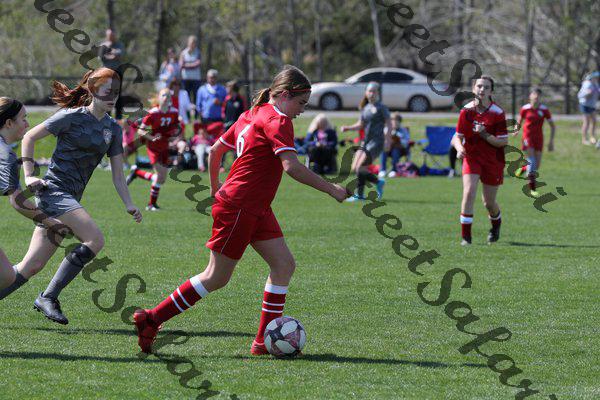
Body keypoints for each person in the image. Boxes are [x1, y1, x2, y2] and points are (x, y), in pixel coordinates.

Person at [133, 65, 350, 355]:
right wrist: (332, 189)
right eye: (301, 103)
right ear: (284, 95)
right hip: (240, 206)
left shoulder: (251, 114)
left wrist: (215, 189)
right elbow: (292, 167)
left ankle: (262, 342)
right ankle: (151, 319)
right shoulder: (278, 120)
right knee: (216, 276)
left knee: (283, 265)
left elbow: (215, 151)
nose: (302, 110)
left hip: (254, 206)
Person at [20, 68, 142, 324]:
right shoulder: (71, 116)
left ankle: (41, 296)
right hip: (53, 192)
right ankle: (48, 297)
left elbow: (118, 175)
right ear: (93, 90)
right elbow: (29, 136)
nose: (112, 97)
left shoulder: (113, 129)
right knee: (94, 239)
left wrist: (129, 203)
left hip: (70, 197)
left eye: (116, 93)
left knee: (30, 267)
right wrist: (29, 175)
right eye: (107, 91)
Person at [0, 97, 65, 294]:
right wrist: (51, 222)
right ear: (9, 123)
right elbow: (17, 201)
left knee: (6, 275)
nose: (27, 124)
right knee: (6, 276)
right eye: (23, 119)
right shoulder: (6, 155)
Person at [451, 76, 508, 246]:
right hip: (472, 158)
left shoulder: (498, 113)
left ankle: (496, 226)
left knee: (489, 203)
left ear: (491, 91)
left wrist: (484, 133)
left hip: (493, 161)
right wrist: (459, 148)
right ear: (473, 88)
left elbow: (502, 142)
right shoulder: (466, 111)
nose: (482, 90)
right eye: (479, 86)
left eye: (486, 87)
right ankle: (466, 237)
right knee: (469, 192)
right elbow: (457, 137)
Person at [126, 88, 182, 210]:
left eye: (168, 96)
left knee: (162, 179)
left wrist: (176, 139)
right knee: (160, 176)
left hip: (165, 146)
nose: (166, 98)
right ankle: (151, 204)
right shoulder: (153, 113)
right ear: (159, 98)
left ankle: (137, 172)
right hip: (153, 147)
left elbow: (177, 128)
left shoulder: (174, 112)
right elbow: (141, 131)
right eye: (163, 95)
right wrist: (151, 138)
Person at [340, 82, 391, 201]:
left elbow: (389, 124)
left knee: (360, 168)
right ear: (366, 93)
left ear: (378, 93)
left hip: (377, 142)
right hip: (366, 142)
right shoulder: (365, 108)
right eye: (369, 91)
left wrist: (388, 140)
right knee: (355, 168)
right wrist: (348, 128)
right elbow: (361, 125)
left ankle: (360, 195)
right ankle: (378, 182)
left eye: (374, 91)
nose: (371, 93)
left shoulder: (381, 108)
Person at [513, 88, 556, 195]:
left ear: (540, 97)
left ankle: (523, 169)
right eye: (534, 94)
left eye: (538, 95)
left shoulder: (544, 110)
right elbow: (519, 120)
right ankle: (532, 188)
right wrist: (516, 130)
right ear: (530, 96)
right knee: (531, 160)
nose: (536, 97)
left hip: (539, 139)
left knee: (536, 165)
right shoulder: (525, 108)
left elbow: (552, 126)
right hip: (527, 137)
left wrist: (551, 141)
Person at [98, 29, 126, 122]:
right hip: (106, 73)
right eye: (109, 36)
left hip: (117, 73)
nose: (111, 37)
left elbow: (120, 54)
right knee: (106, 93)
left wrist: (110, 54)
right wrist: (113, 53)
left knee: (117, 94)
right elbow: (101, 57)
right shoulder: (103, 45)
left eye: (112, 35)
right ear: (107, 36)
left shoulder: (120, 45)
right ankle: (106, 115)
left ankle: (118, 117)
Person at [379, 112, 410, 178]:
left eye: (396, 120)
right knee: (383, 150)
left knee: (395, 150)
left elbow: (406, 143)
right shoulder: (386, 129)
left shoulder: (404, 130)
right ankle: (382, 170)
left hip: (400, 150)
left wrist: (399, 140)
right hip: (388, 149)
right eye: (392, 120)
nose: (394, 122)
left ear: (399, 122)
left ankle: (394, 170)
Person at [179, 35, 202, 111]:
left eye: (194, 43)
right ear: (188, 43)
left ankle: (196, 115)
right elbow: (181, 65)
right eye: (191, 43)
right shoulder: (183, 53)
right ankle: (187, 115)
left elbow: (197, 64)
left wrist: (186, 65)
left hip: (196, 79)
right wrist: (192, 64)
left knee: (196, 97)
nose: (192, 44)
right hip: (185, 79)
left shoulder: (198, 52)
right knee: (186, 98)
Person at [577, 71, 599, 145]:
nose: (597, 78)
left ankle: (592, 137)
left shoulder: (595, 83)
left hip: (592, 105)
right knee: (587, 122)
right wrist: (588, 93)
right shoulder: (587, 84)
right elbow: (580, 95)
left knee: (594, 121)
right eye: (595, 77)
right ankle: (584, 139)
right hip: (585, 105)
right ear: (591, 77)